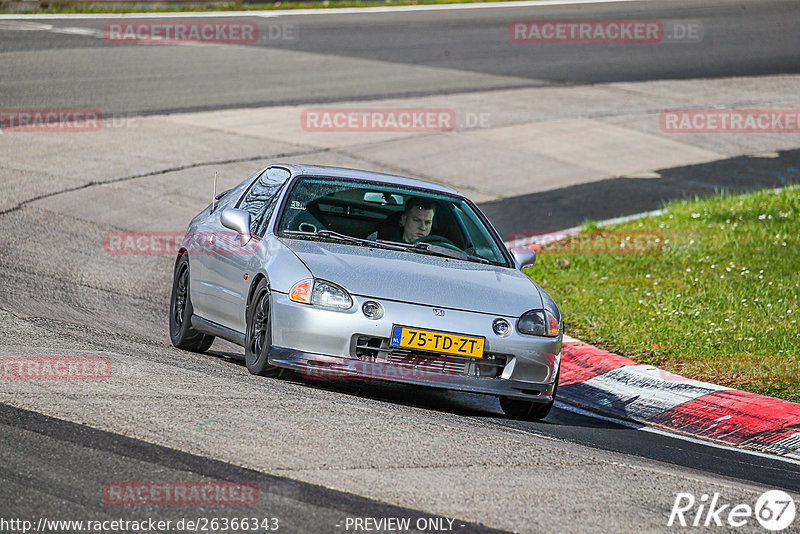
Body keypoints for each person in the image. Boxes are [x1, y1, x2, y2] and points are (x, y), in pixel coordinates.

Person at [368, 197, 436, 243]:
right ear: (403, 220)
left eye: (427, 222)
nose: (422, 227)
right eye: (417, 220)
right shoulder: (376, 241)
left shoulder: (438, 251)